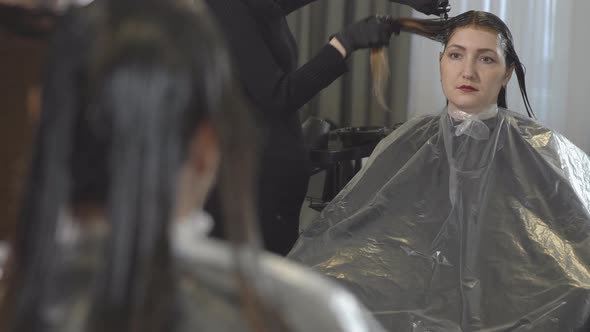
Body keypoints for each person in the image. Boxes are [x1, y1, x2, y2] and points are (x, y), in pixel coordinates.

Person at [0, 1, 389, 331]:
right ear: (209, 144)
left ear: (40, 115)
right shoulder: (311, 314)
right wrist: (342, 44)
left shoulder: (17, 292)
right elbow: (275, 93)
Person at [289, 10, 590, 332]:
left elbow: (573, 247)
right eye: (456, 55)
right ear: (441, 63)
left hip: (509, 296)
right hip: (410, 285)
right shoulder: (409, 142)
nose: (468, 71)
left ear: (506, 73)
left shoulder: (541, 147)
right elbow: (358, 231)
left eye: (486, 59)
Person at [204, 0, 451, 256]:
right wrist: (344, 43)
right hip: (252, 184)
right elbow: (278, 96)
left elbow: (273, 7)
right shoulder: (223, 8)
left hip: (278, 177)